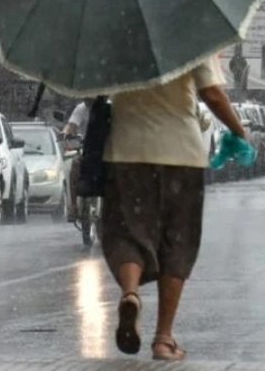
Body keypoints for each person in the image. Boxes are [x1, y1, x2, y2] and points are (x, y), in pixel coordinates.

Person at [102, 57, 247, 361]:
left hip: (126, 152)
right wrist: (238, 131)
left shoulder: (114, 38)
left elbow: (96, 90)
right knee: (177, 241)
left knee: (127, 232)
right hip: (181, 153)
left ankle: (130, 293)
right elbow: (213, 94)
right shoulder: (192, 37)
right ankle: (163, 339)